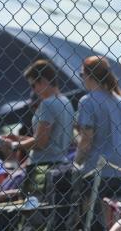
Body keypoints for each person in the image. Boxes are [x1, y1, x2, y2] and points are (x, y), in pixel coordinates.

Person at [75, 56, 121, 231]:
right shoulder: (120, 100)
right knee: (117, 221)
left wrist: (76, 163)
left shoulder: (88, 101)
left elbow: (86, 140)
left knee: (93, 223)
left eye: (82, 75)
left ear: (89, 76)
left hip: (97, 170)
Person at [7, 59, 75, 196]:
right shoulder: (65, 102)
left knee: (34, 212)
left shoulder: (48, 104)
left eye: (33, 85)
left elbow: (41, 142)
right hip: (60, 163)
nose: (33, 90)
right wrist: (19, 139)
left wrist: (14, 145)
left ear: (43, 80)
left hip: (42, 167)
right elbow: (49, 138)